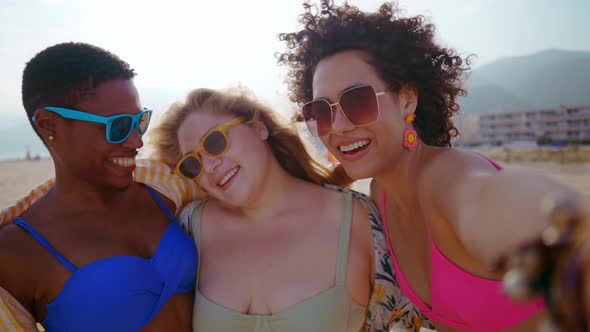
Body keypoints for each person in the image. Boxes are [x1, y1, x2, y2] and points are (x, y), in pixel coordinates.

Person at [278, 1, 588, 331]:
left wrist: (570, 240)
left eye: (358, 101)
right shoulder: (380, 191)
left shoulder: (448, 179)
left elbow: (497, 199)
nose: (338, 126)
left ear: (407, 100)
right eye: (321, 113)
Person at [147, 87, 433, 332]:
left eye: (215, 142)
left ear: (259, 128)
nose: (209, 166)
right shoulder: (190, 226)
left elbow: (422, 317)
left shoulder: (358, 218)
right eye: (193, 164)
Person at [0, 42, 197, 332]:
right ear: (48, 125)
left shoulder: (165, 184)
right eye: (117, 126)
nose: (136, 142)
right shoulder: (14, 252)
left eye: (139, 122)